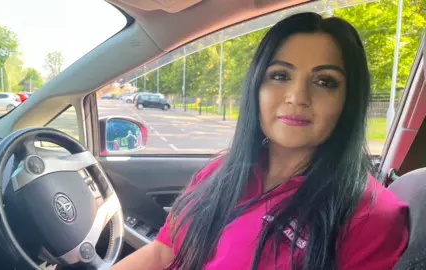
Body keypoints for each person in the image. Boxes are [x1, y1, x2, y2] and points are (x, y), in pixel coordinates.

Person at [111, 12, 408, 270]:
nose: (297, 97)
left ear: (348, 101)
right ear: (257, 86)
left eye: (324, 82)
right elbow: (163, 252)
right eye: (280, 76)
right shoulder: (219, 171)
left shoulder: (371, 216)